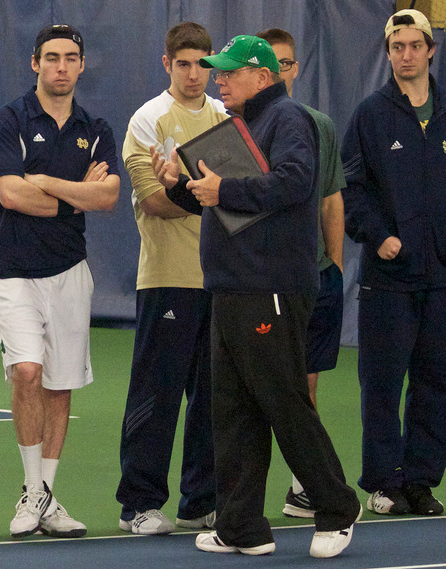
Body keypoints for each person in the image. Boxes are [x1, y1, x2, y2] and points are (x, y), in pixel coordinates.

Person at [153, 34, 360, 558]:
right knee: (234, 408)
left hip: (270, 287)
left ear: (263, 76)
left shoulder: (288, 120)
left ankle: (338, 506)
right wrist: (180, 184)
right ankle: (242, 526)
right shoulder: (239, 126)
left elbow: (294, 182)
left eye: (228, 72)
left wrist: (224, 190)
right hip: (231, 286)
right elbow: (223, 204)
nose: (218, 79)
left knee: (283, 399)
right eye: (217, 72)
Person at [341, 9, 446, 517]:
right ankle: (384, 483)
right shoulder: (369, 115)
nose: (405, 55)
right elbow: (351, 191)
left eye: (414, 45)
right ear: (388, 53)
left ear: (430, 49)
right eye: (396, 46)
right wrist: (378, 236)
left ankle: (421, 482)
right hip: (389, 280)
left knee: (440, 383)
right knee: (381, 384)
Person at [0, 24, 120, 540]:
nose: (61, 66)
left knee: (60, 385)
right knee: (26, 373)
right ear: (35, 64)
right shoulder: (9, 119)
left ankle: (44, 495)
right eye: (51, 58)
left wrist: (43, 181)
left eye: (70, 58)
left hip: (70, 272)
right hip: (13, 272)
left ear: (81, 65)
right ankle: (33, 490)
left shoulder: (96, 126)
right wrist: (72, 195)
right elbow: (11, 194)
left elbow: (107, 197)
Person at [115, 22, 223, 536]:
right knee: (156, 395)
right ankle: (137, 504)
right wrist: (197, 192)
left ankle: (200, 501)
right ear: (167, 64)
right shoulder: (148, 120)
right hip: (166, 279)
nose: (194, 73)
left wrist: (189, 187)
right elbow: (153, 203)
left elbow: (239, 196)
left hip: (219, 282)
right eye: (184, 63)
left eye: (203, 63)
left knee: (212, 397)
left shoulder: (224, 117)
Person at [255, 27, 346, 520]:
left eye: (288, 63)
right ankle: (229, 502)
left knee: (304, 388)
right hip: (257, 285)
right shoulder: (238, 125)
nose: (281, 72)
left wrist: (330, 267)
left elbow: (332, 199)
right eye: (273, 63)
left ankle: (305, 489)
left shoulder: (319, 125)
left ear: (292, 69)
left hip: (311, 281)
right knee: (256, 393)